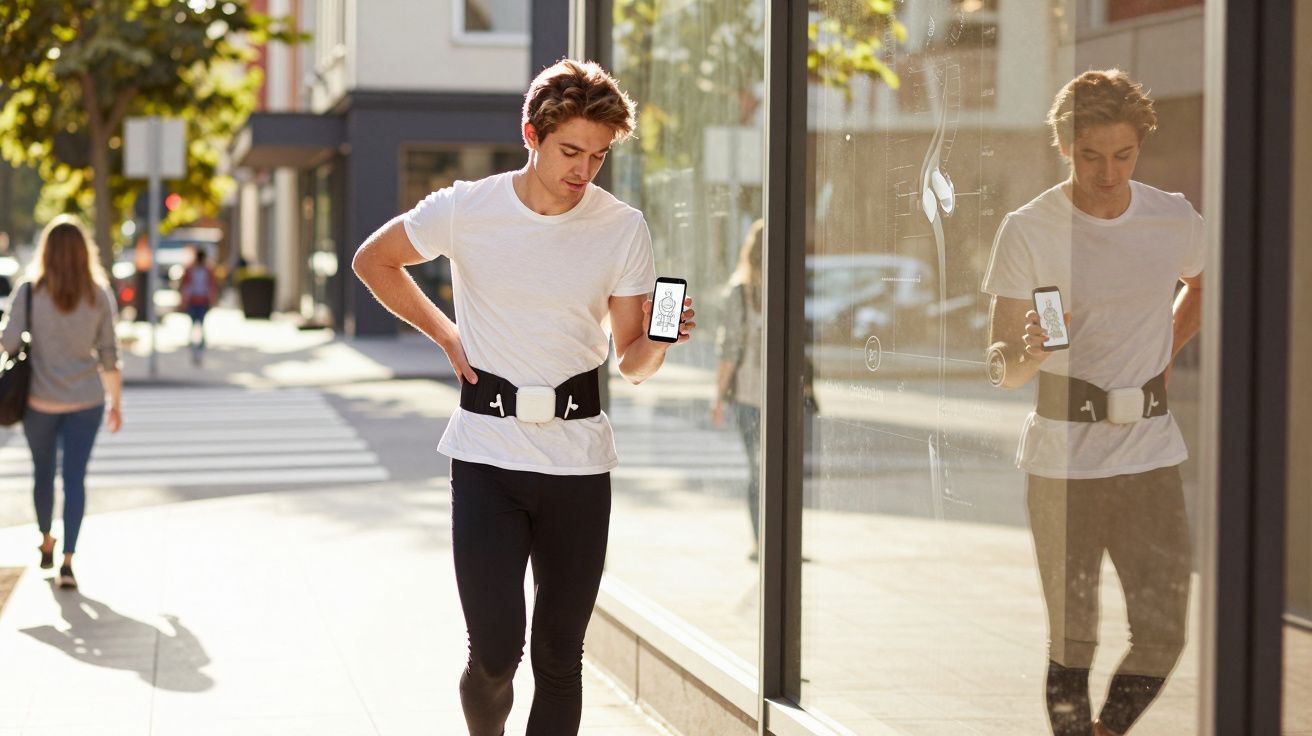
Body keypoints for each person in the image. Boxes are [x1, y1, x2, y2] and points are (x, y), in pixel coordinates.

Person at [351, 59, 695, 736]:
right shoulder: (466, 208)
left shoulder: (621, 227)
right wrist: (447, 334)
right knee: (495, 657)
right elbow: (373, 260)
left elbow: (633, 364)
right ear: (531, 135)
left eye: (597, 156)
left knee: (561, 658)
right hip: (486, 459)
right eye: (570, 151)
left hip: (578, 462)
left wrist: (660, 341)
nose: (583, 170)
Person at [982, 70, 1204, 736]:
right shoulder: (1029, 229)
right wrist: (1029, 354)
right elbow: (1000, 371)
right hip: (1062, 465)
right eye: (1090, 156)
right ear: (1063, 146)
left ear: (1140, 146)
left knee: (1165, 634)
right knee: (1072, 644)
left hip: (1151, 455)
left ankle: (1104, 731)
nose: (1108, 172)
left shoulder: (1172, 218)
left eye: (1123, 155)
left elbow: (1202, 284)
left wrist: (1160, 352)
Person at [0, 215, 124, 591]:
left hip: (39, 399)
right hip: (87, 401)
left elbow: (7, 343)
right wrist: (116, 402)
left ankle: (46, 539)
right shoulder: (98, 294)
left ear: (47, 251)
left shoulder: (29, 291)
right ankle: (69, 561)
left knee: (42, 474)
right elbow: (109, 355)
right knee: (75, 479)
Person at [712, 219, 763, 560]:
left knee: (768, 470)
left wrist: (717, 397)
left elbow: (729, 351)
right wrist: (719, 397)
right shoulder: (739, 293)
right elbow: (729, 349)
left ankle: (773, 541)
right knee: (761, 469)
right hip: (750, 397)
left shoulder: (783, 288)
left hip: (767, 397)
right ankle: (764, 542)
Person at [179, 247, 217, 365]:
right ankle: (195, 350)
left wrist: (212, 300)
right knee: (196, 326)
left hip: (201, 301)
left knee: (199, 326)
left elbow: (210, 287)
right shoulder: (192, 270)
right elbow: (186, 286)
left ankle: (198, 350)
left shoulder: (206, 271)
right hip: (194, 301)